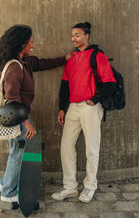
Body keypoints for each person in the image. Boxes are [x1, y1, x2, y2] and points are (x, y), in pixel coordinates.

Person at [0, 24, 71, 204]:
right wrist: (27, 123)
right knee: (18, 153)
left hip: (19, 114)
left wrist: (64, 59)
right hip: (16, 117)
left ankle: (5, 183)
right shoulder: (14, 67)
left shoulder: (25, 62)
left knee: (15, 150)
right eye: (31, 42)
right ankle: (8, 192)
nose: (33, 45)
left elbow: (42, 63)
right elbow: (13, 99)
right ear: (22, 44)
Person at [51, 22, 117, 203]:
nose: (74, 38)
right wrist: (62, 108)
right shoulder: (71, 58)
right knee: (66, 146)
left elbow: (110, 83)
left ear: (87, 36)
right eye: (72, 35)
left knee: (91, 149)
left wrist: (95, 99)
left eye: (77, 35)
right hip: (72, 107)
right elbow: (65, 85)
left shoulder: (97, 55)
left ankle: (90, 187)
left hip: (90, 108)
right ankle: (70, 187)